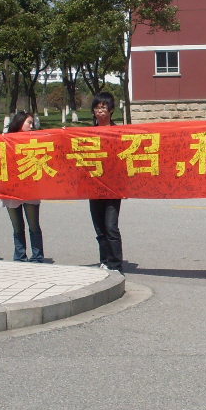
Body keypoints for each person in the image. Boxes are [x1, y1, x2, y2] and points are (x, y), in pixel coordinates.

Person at [88, 92, 124, 275]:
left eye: (103, 107)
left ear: (111, 110)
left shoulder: (119, 133)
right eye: (97, 107)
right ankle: (104, 261)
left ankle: (116, 264)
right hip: (93, 187)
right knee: (100, 228)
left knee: (111, 227)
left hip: (113, 188)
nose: (100, 110)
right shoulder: (86, 134)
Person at [2, 111, 44, 262]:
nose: (31, 126)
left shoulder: (36, 139)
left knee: (33, 226)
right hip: (11, 189)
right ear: (19, 122)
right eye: (29, 122)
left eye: (32, 123)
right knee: (17, 227)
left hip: (30, 188)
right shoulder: (6, 140)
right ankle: (20, 256)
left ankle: (37, 256)